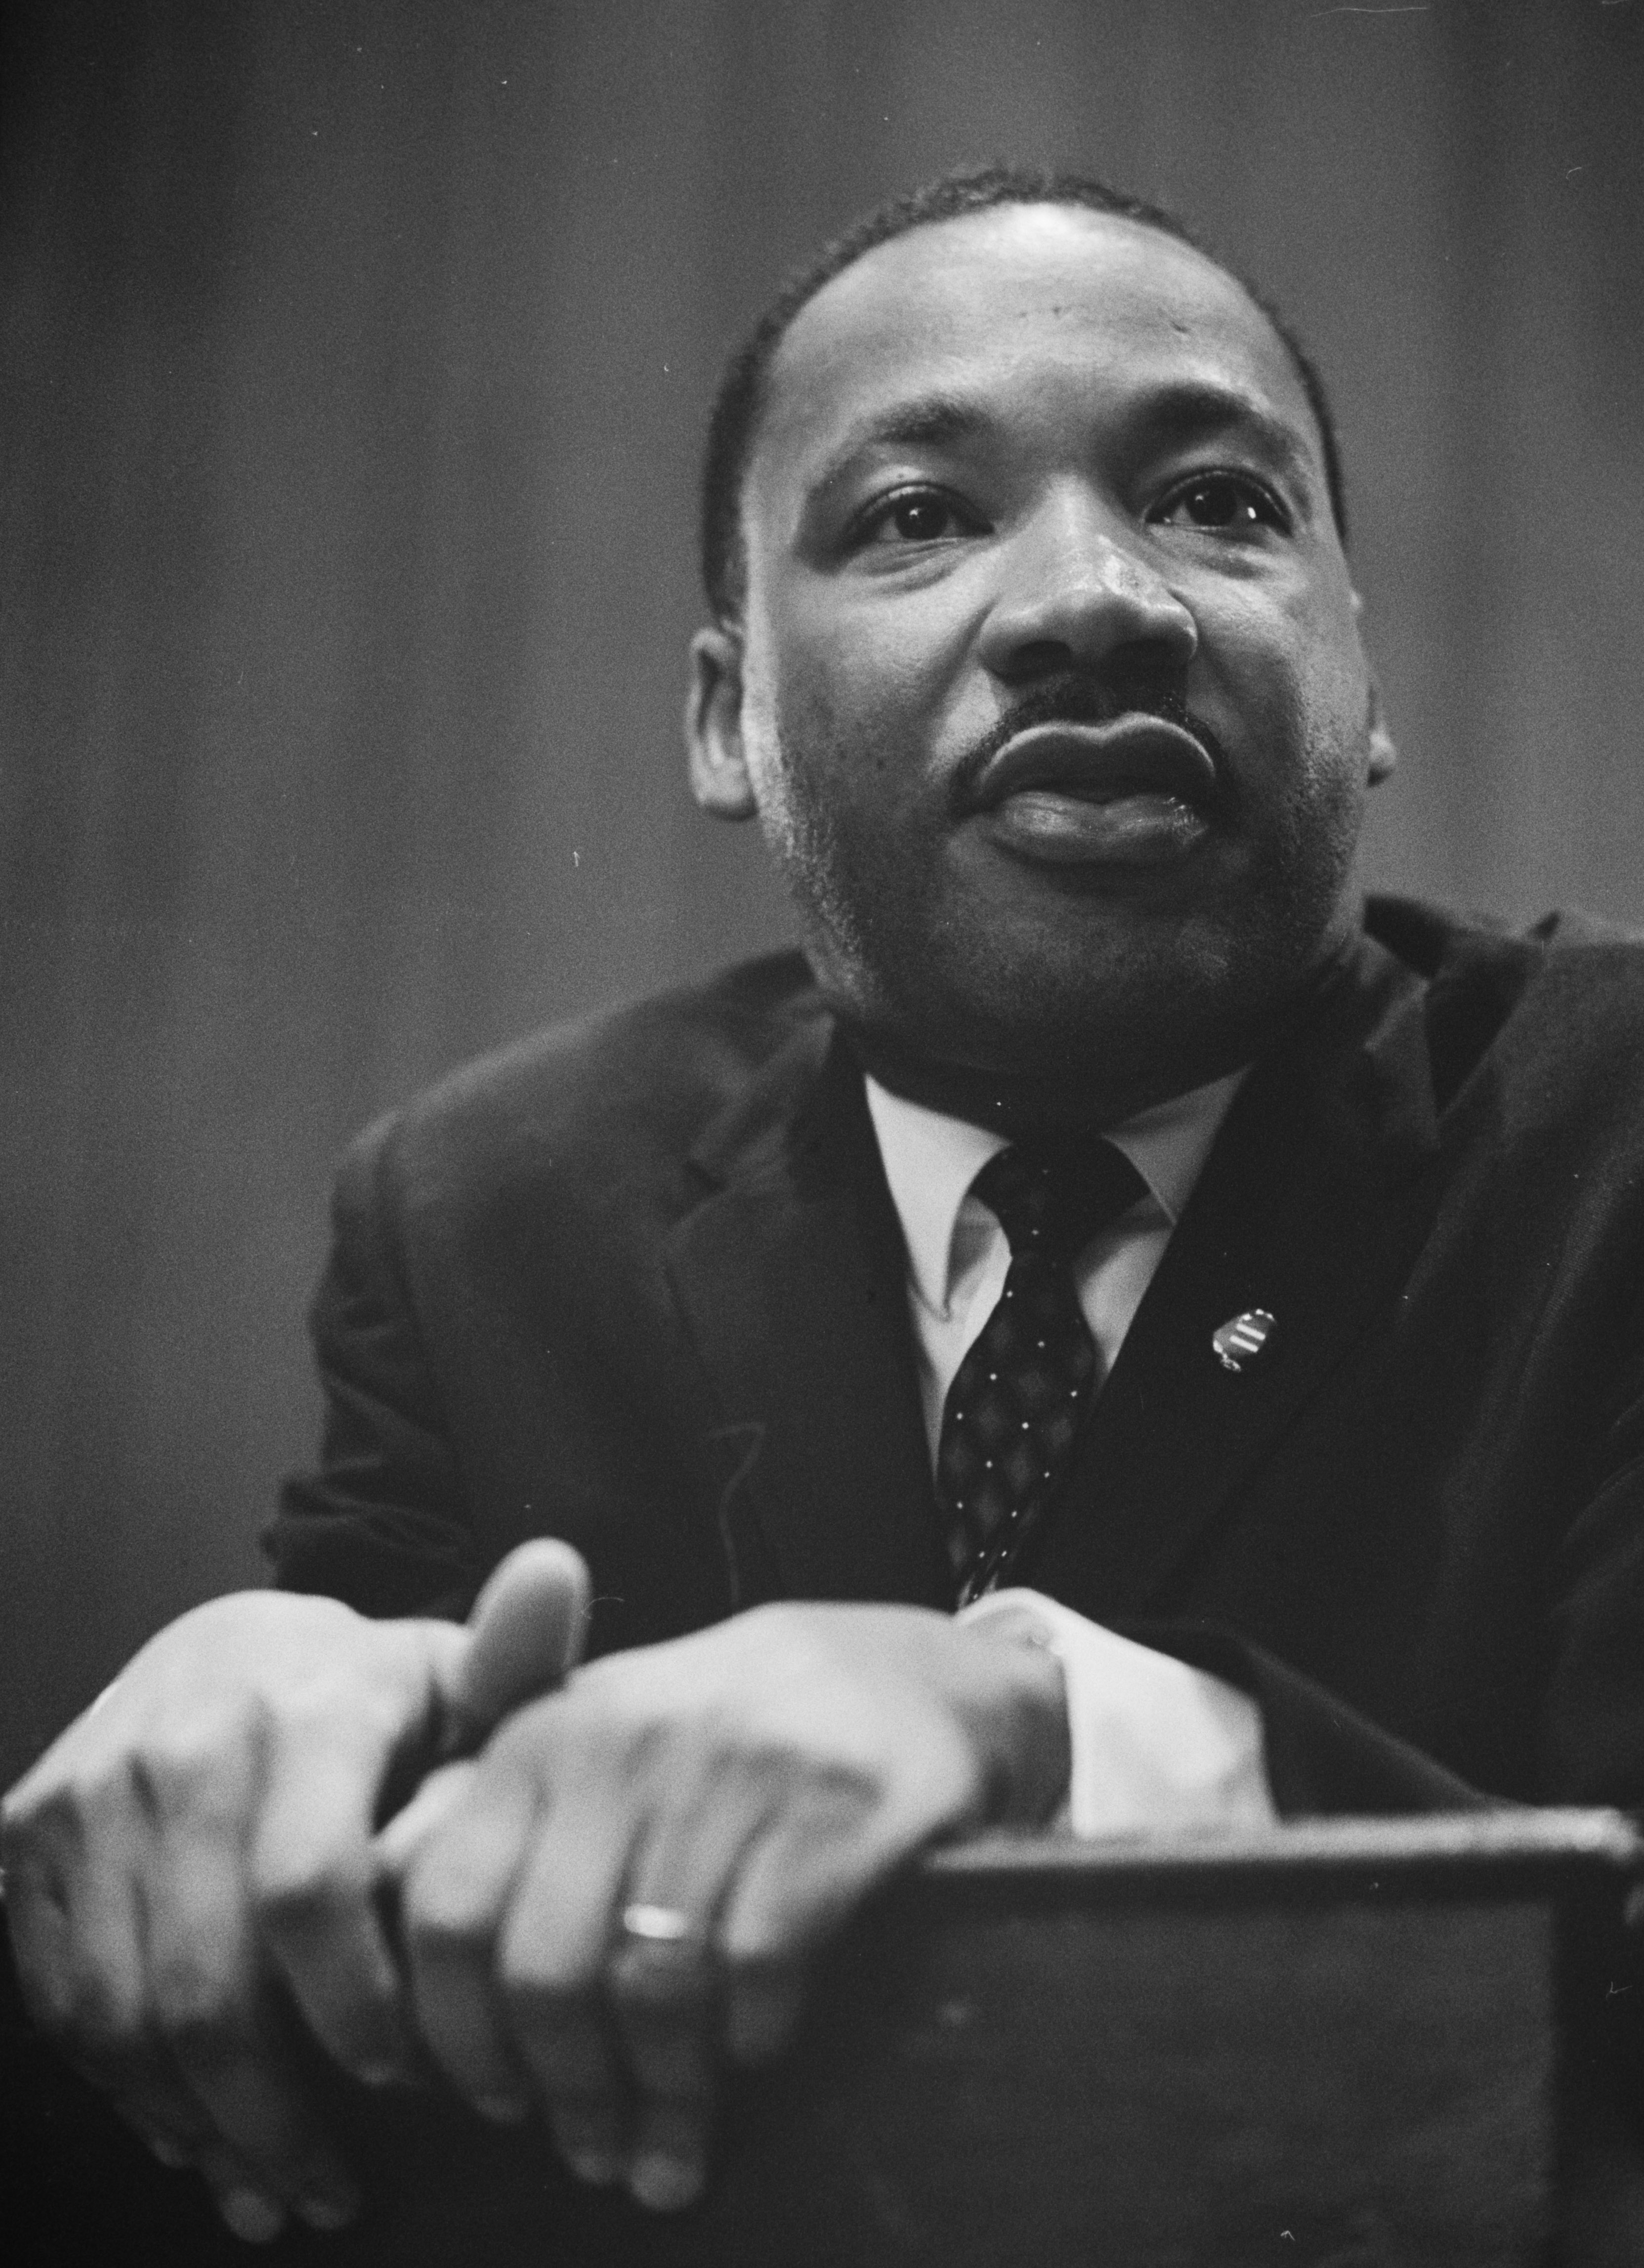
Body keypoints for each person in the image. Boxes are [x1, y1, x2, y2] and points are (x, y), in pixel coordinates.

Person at [8, 165, 1644, 2248]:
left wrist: (1026, 1713)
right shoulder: (492, 1209)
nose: (1099, 597)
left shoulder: (1614, 1126)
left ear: (1362, 674)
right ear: (726, 718)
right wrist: (272, 1699)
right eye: (913, 515)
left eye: (1219, 503)